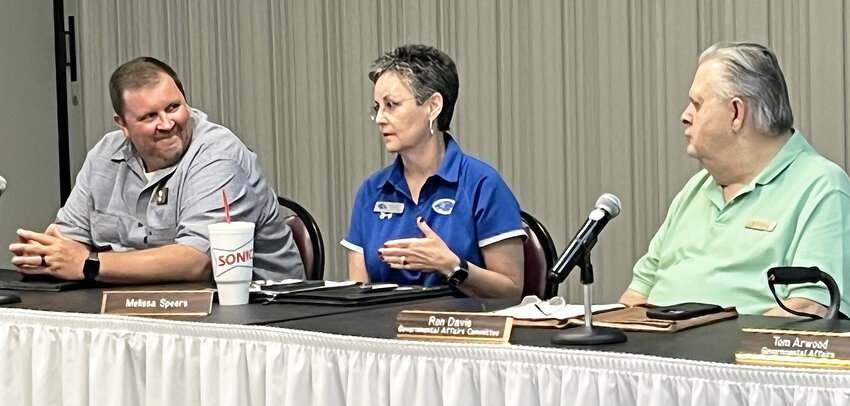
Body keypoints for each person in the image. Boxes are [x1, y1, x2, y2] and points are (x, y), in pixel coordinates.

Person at [9, 57, 303, 283]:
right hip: (141, 305)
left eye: (174, 107)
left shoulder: (218, 154)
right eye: (149, 116)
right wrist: (49, 255)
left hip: (256, 314)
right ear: (122, 124)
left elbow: (197, 262)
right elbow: (70, 240)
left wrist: (88, 265)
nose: (166, 124)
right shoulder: (104, 155)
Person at [620, 42, 850, 316]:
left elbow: (810, 309)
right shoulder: (695, 189)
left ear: (736, 113)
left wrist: (710, 352)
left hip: (734, 358)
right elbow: (637, 295)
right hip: (656, 356)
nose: (685, 116)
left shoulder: (821, 186)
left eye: (697, 104)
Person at [341, 44, 525, 299]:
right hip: (386, 332)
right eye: (377, 107)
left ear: (432, 107)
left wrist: (451, 266)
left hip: (463, 333)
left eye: (391, 105)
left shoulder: (482, 184)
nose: (380, 118)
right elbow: (358, 293)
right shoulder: (371, 191)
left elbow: (512, 290)